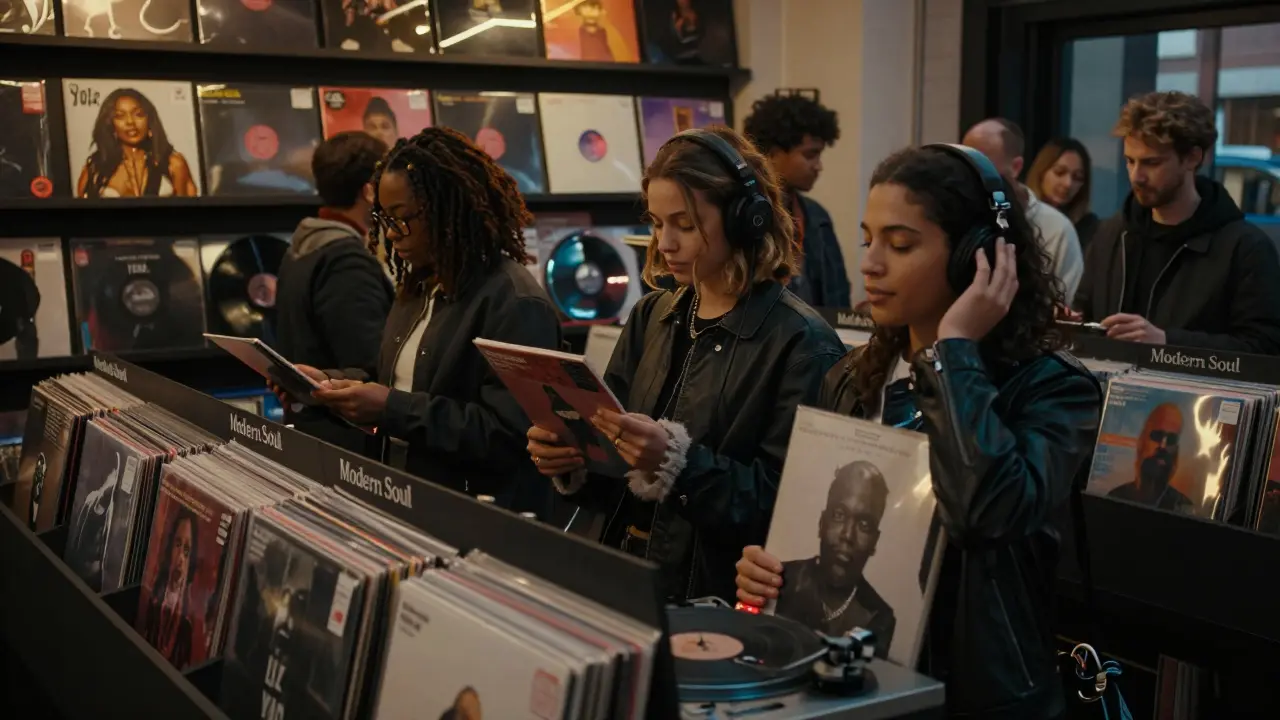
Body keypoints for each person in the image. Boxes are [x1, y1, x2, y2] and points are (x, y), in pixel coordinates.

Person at [734, 144, 1103, 719]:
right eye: (868, 239)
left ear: (975, 259)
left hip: (979, 698)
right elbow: (810, 521)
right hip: (853, 687)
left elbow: (986, 512)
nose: (871, 263)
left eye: (901, 244)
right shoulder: (853, 377)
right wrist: (772, 568)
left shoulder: (1052, 390)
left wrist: (953, 349)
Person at [525, 126, 847, 602]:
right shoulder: (652, 314)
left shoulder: (803, 343)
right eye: (657, 223)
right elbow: (610, 452)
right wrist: (572, 462)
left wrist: (679, 464)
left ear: (743, 221)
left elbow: (788, 508)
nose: (666, 242)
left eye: (685, 224)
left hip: (709, 599)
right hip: (621, 574)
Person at [281, 127, 562, 515]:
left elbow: (510, 435)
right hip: (403, 498)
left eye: (401, 218)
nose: (390, 235)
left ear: (448, 210)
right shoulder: (417, 285)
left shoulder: (515, 302)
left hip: (476, 520)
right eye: (382, 217)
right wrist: (327, 384)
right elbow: (396, 381)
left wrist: (390, 408)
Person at [1071, 91, 1280, 354]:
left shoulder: (1245, 249)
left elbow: (1265, 348)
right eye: (1130, 161)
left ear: (1193, 158)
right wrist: (1070, 322)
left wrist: (1166, 342)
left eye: (1152, 163)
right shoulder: (1112, 234)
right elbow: (1085, 308)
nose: (1137, 176)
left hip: (1195, 395)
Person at [275, 131, 393, 454]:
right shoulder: (346, 260)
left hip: (316, 434)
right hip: (346, 446)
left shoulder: (303, 245)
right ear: (370, 190)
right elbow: (374, 363)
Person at [773, 461, 895, 656]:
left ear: (875, 541)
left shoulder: (879, 617)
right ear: (822, 523)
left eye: (864, 524)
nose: (847, 535)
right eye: (839, 515)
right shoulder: (780, 578)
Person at [743, 92, 852, 309]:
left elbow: (839, 300)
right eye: (810, 155)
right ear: (772, 154)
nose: (818, 166)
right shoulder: (744, 216)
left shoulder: (818, 217)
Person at [962, 118, 1083, 300]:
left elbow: (1061, 310)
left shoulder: (1057, 230)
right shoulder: (957, 216)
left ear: (1016, 167)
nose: (973, 180)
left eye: (984, 171)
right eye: (965, 168)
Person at [76, 87, 199, 198]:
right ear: (110, 124)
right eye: (120, 116)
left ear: (149, 119)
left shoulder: (173, 164)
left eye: (138, 114)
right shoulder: (95, 169)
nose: (130, 122)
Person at [1107, 402, 1192, 513]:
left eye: (1171, 439)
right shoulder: (1114, 498)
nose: (1163, 446)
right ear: (1142, 441)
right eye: (1157, 435)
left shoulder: (1185, 508)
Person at [141, 507, 199, 670]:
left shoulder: (187, 625)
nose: (180, 557)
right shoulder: (152, 598)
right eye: (178, 544)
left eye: (187, 551)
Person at [1026, 137, 1100, 249]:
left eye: (1077, 177)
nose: (1068, 183)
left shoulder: (1089, 229)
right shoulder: (1019, 215)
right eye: (1059, 172)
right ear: (1041, 172)